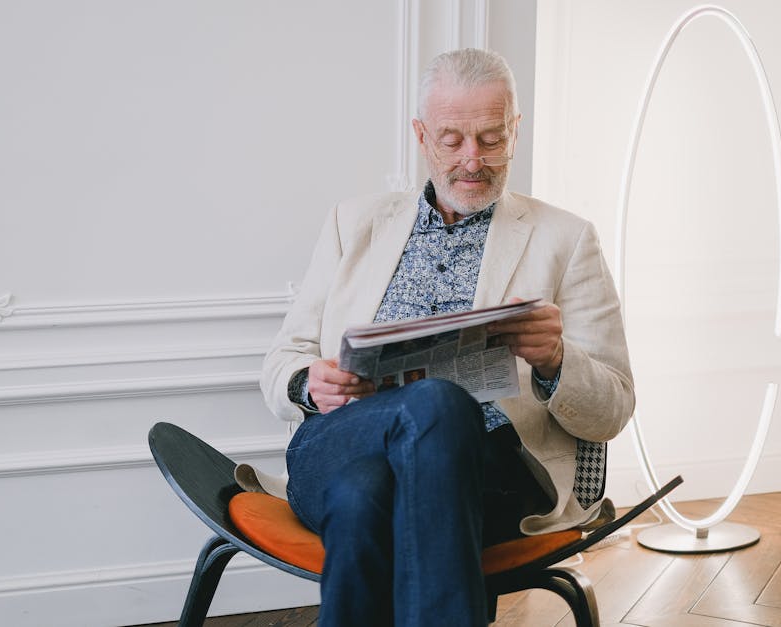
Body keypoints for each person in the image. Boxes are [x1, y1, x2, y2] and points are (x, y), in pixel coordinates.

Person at [257, 48, 634, 627]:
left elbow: (612, 409)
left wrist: (557, 359)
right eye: (452, 139)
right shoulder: (352, 223)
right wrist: (310, 383)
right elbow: (285, 356)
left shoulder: (566, 239)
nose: (472, 160)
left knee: (364, 499)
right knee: (428, 407)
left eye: (490, 138)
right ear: (420, 135)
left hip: (490, 473)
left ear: (515, 131)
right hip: (340, 443)